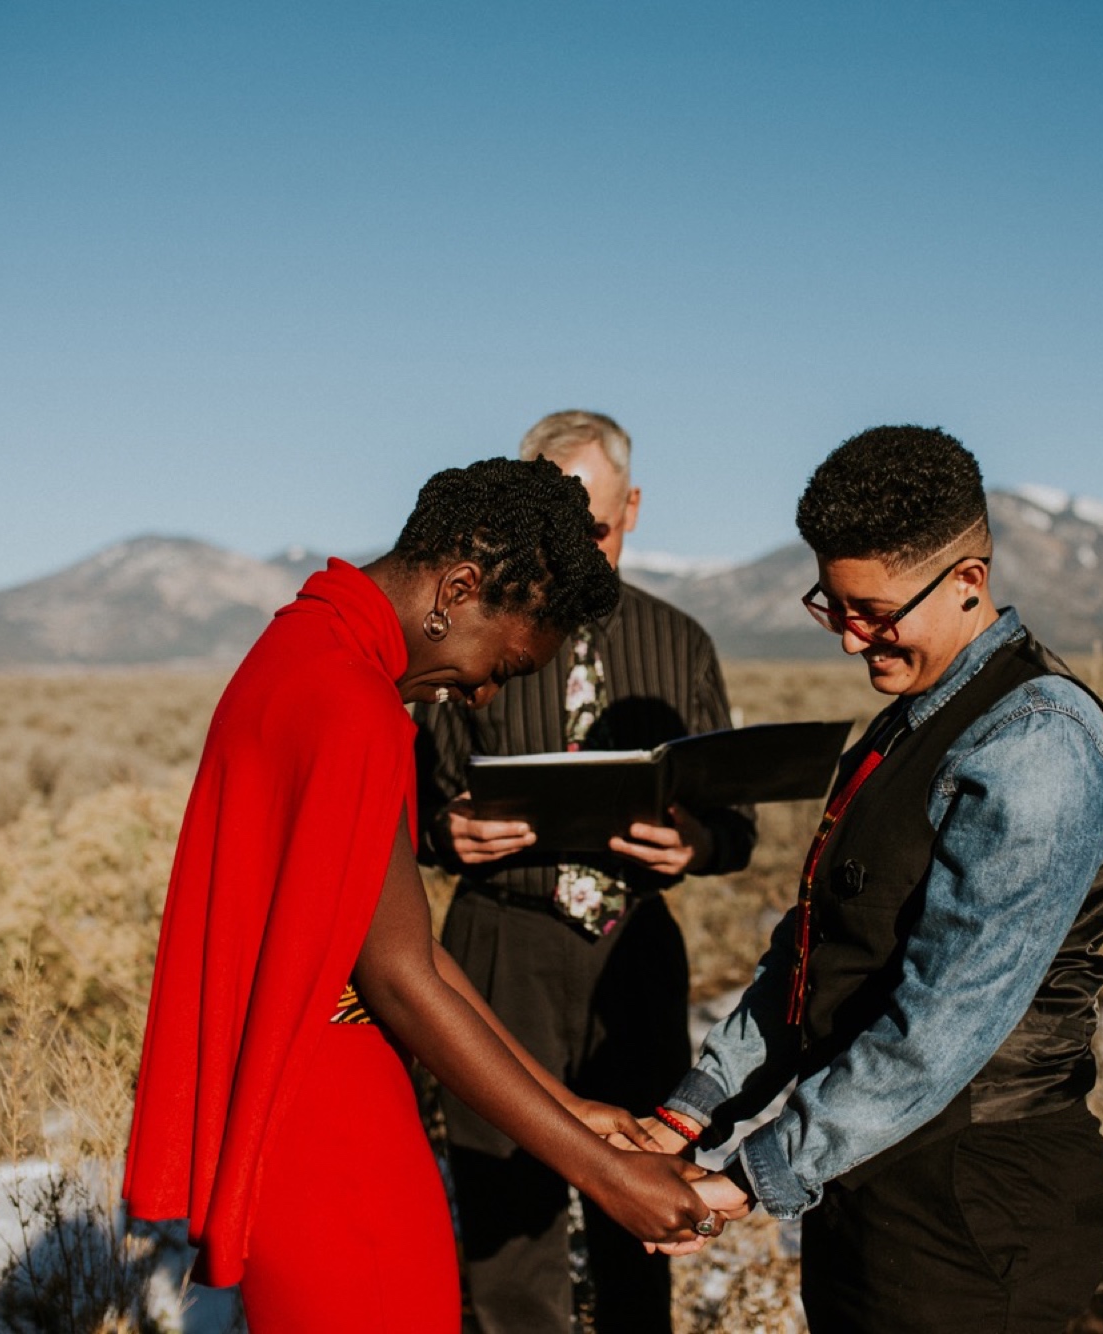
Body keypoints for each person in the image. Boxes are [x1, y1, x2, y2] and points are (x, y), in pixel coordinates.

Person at [122, 457, 727, 1332]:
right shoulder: (351, 703)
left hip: (305, 1108)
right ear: (459, 587)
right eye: (504, 664)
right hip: (334, 1132)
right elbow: (402, 979)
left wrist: (571, 1113)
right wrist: (603, 1174)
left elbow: (407, 954)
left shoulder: (305, 647)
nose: (482, 691)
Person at [641, 426, 1103, 1333]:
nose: (848, 641)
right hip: (867, 1173)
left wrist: (751, 1175)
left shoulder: (1037, 746)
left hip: (979, 1203)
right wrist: (695, 1111)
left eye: (873, 612)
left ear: (968, 582)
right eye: (831, 607)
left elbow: (944, 1020)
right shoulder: (911, 721)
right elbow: (815, 954)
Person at [414, 411, 758, 1334]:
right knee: (503, 1212)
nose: (578, 551)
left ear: (633, 509)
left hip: (635, 956)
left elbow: (738, 824)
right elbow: (402, 803)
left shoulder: (680, 641)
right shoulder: (478, 631)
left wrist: (697, 845)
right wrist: (443, 833)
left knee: (645, 1188)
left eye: (596, 528)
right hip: (498, 946)